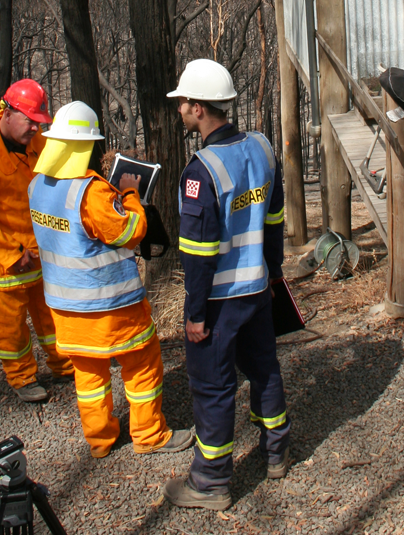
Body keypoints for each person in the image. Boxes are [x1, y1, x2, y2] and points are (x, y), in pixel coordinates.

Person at [28, 101, 193, 459]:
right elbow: (130, 232)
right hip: (112, 307)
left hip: (65, 309)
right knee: (142, 363)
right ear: (86, 146)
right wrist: (131, 194)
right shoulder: (91, 193)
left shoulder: (37, 187)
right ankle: (149, 435)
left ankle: (100, 440)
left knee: (88, 375)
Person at [162, 59, 290, 510]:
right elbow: (273, 220)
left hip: (218, 302)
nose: (179, 108)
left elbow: (198, 255)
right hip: (257, 290)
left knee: (213, 389)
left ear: (198, 108)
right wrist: (273, 274)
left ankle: (212, 481)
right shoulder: (262, 148)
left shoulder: (202, 171)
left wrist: (195, 314)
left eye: (183, 102)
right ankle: (278, 452)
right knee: (265, 369)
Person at [0, 79, 74, 403]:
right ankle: (22, 377)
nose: (34, 128)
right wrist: (12, 253)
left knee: (50, 314)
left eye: (39, 122)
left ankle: (63, 364)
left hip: (39, 253)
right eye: (29, 121)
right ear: (8, 113)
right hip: (4, 262)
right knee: (12, 326)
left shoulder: (38, 144)